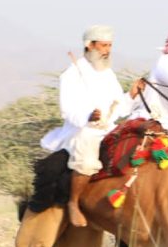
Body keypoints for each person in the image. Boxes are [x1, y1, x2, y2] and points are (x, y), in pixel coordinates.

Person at [40, 25, 145, 227]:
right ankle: (73, 202)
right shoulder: (71, 74)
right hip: (81, 130)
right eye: (103, 45)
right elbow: (67, 111)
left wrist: (131, 95)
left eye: (110, 46)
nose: (107, 50)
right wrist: (88, 116)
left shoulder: (108, 74)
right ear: (89, 45)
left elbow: (118, 108)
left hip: (108, 128)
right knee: (87, 154)